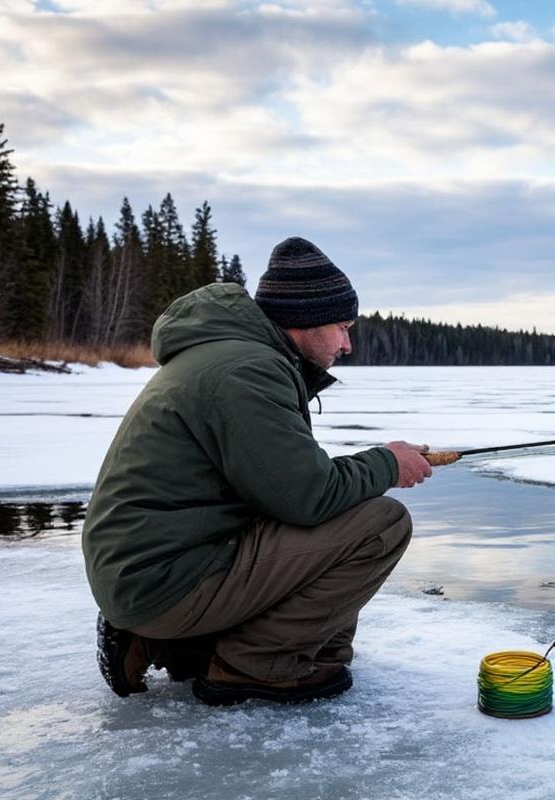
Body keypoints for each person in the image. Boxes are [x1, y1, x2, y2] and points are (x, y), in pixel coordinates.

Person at [82, 236, 433, 706]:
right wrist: (388, 462)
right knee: (379, 524)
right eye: (342, 327)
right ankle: (253, 667)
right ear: (305, 320)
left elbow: (285, 487)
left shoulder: (234, 357)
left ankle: (175, 643)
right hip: (161, 578)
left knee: (340, 526)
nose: (348, 344)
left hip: (157, 565)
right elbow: (308, 497)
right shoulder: (245, 369)